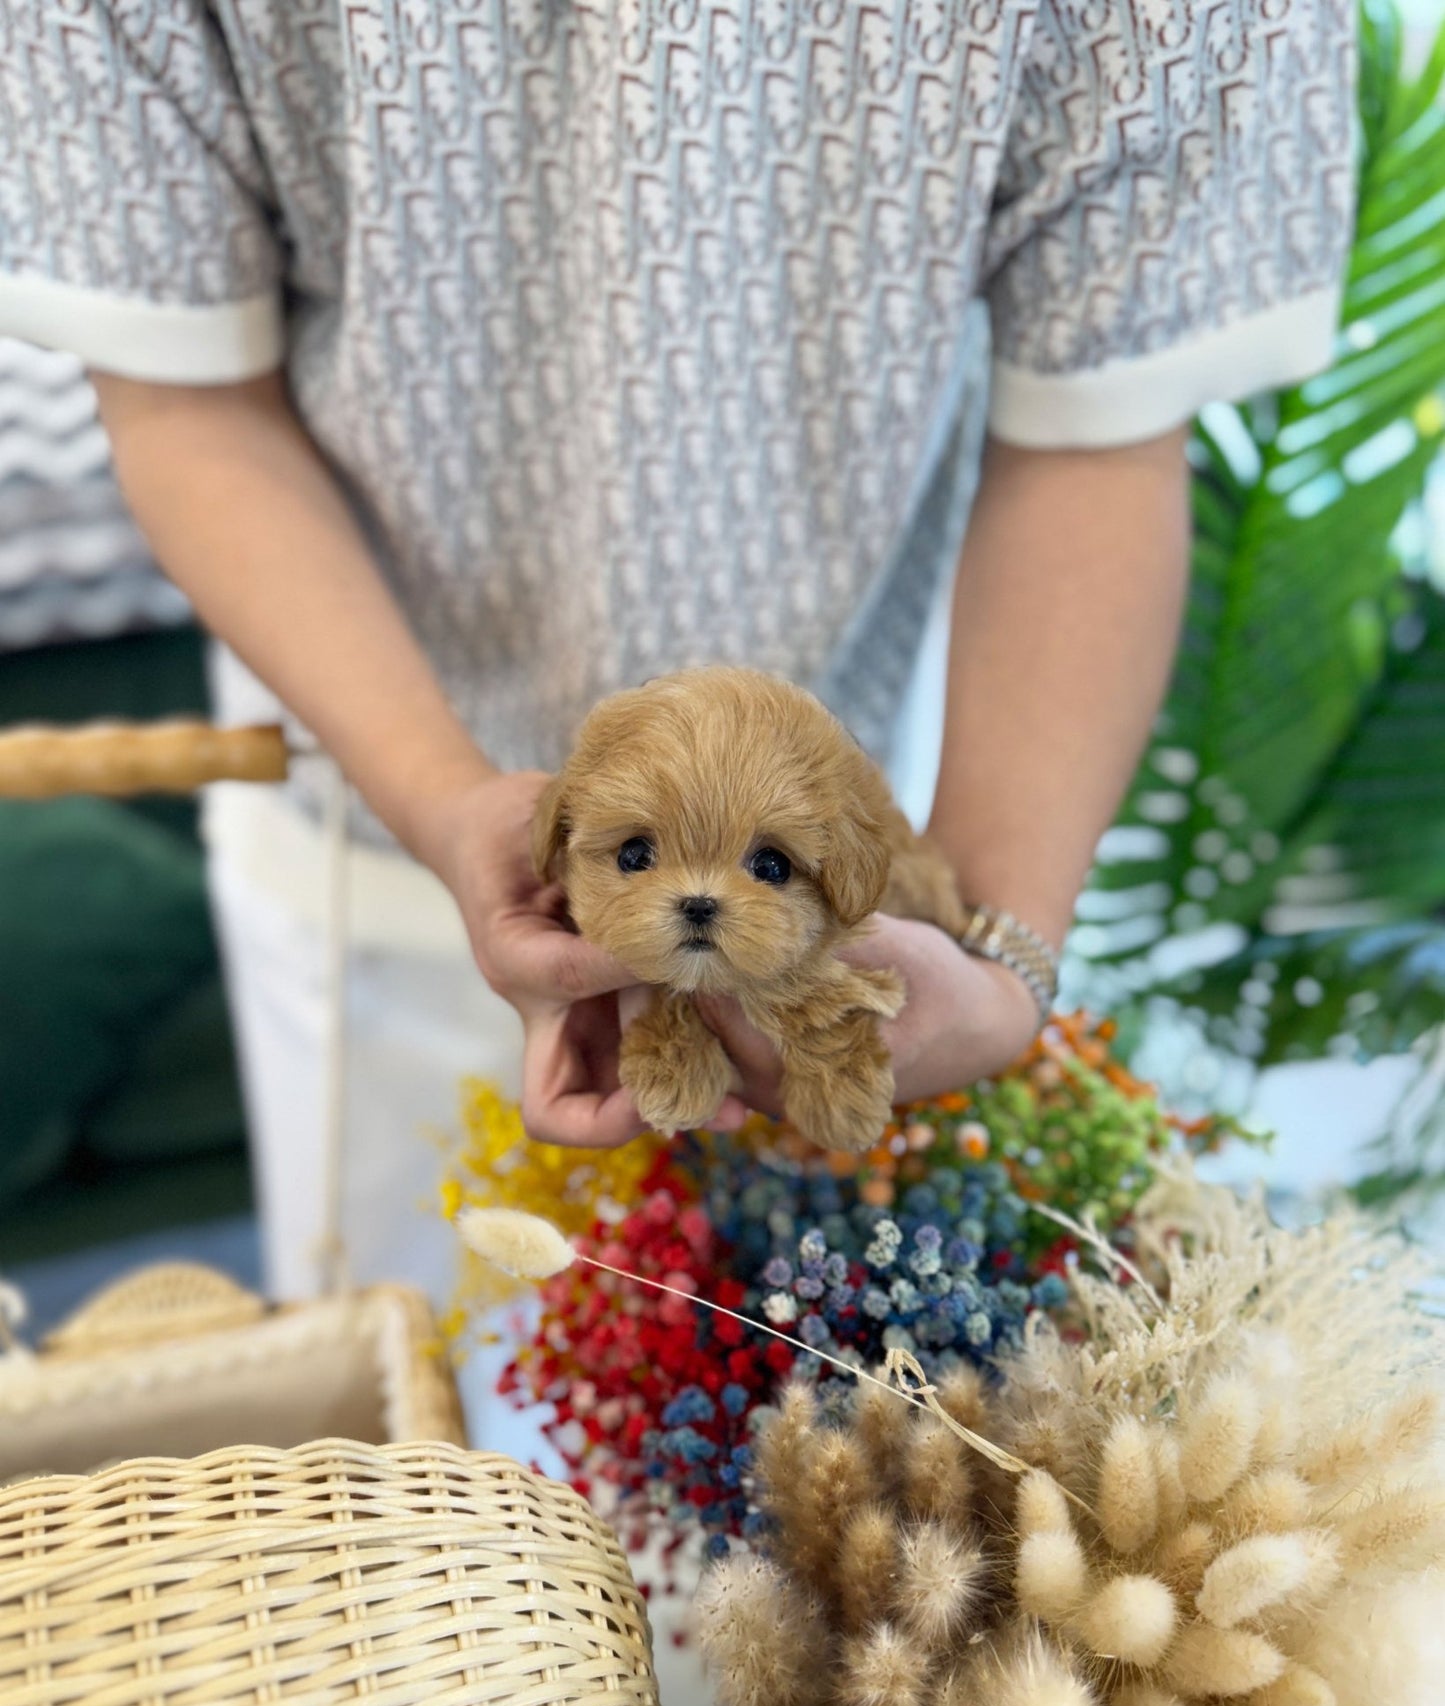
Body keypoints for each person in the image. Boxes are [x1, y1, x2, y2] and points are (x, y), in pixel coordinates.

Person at [0, 0, 1355, 1305]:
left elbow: (1105, 409)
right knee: (405, 1438)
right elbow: (184, 387)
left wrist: (1004, 957)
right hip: (364, 799)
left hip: (870, 857)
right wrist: (441, 791)